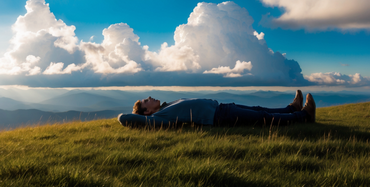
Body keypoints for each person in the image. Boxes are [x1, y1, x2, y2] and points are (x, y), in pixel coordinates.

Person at [117, 90, 316, 128]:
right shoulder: (159, 117)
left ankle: (291, 108)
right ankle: (303, 115)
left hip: (220, 107)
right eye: (146, 101)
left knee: (259, 108)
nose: (150, 97)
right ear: (147, 113)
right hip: (219, 117)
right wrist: (134, 115)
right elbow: (125, 119)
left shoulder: (167, 106)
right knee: (262, 117)